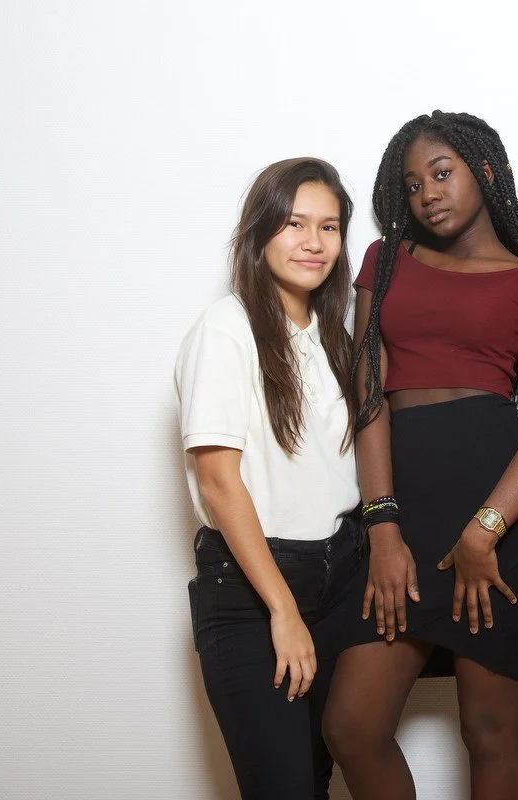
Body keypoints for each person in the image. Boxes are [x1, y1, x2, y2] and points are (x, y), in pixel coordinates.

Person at [322, 110, 518, 800]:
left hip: (502, 512)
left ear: (484, 171)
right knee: (352, 723)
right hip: (404, 502)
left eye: (442, 173)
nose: (428, 193)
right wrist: (382, 523)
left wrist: (484, 529)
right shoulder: (387, 262)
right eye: (411, 185)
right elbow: (367, 394)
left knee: (489, 729)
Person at [176, 158, 361, 799]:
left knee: (316, 777)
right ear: (259, 234)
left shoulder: (333, 335)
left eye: (330, 227)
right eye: (293, 224)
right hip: (255, 591)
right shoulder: (227, 330)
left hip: (340, 577)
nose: (314, 242)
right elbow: (220, 481)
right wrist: (282, 609)